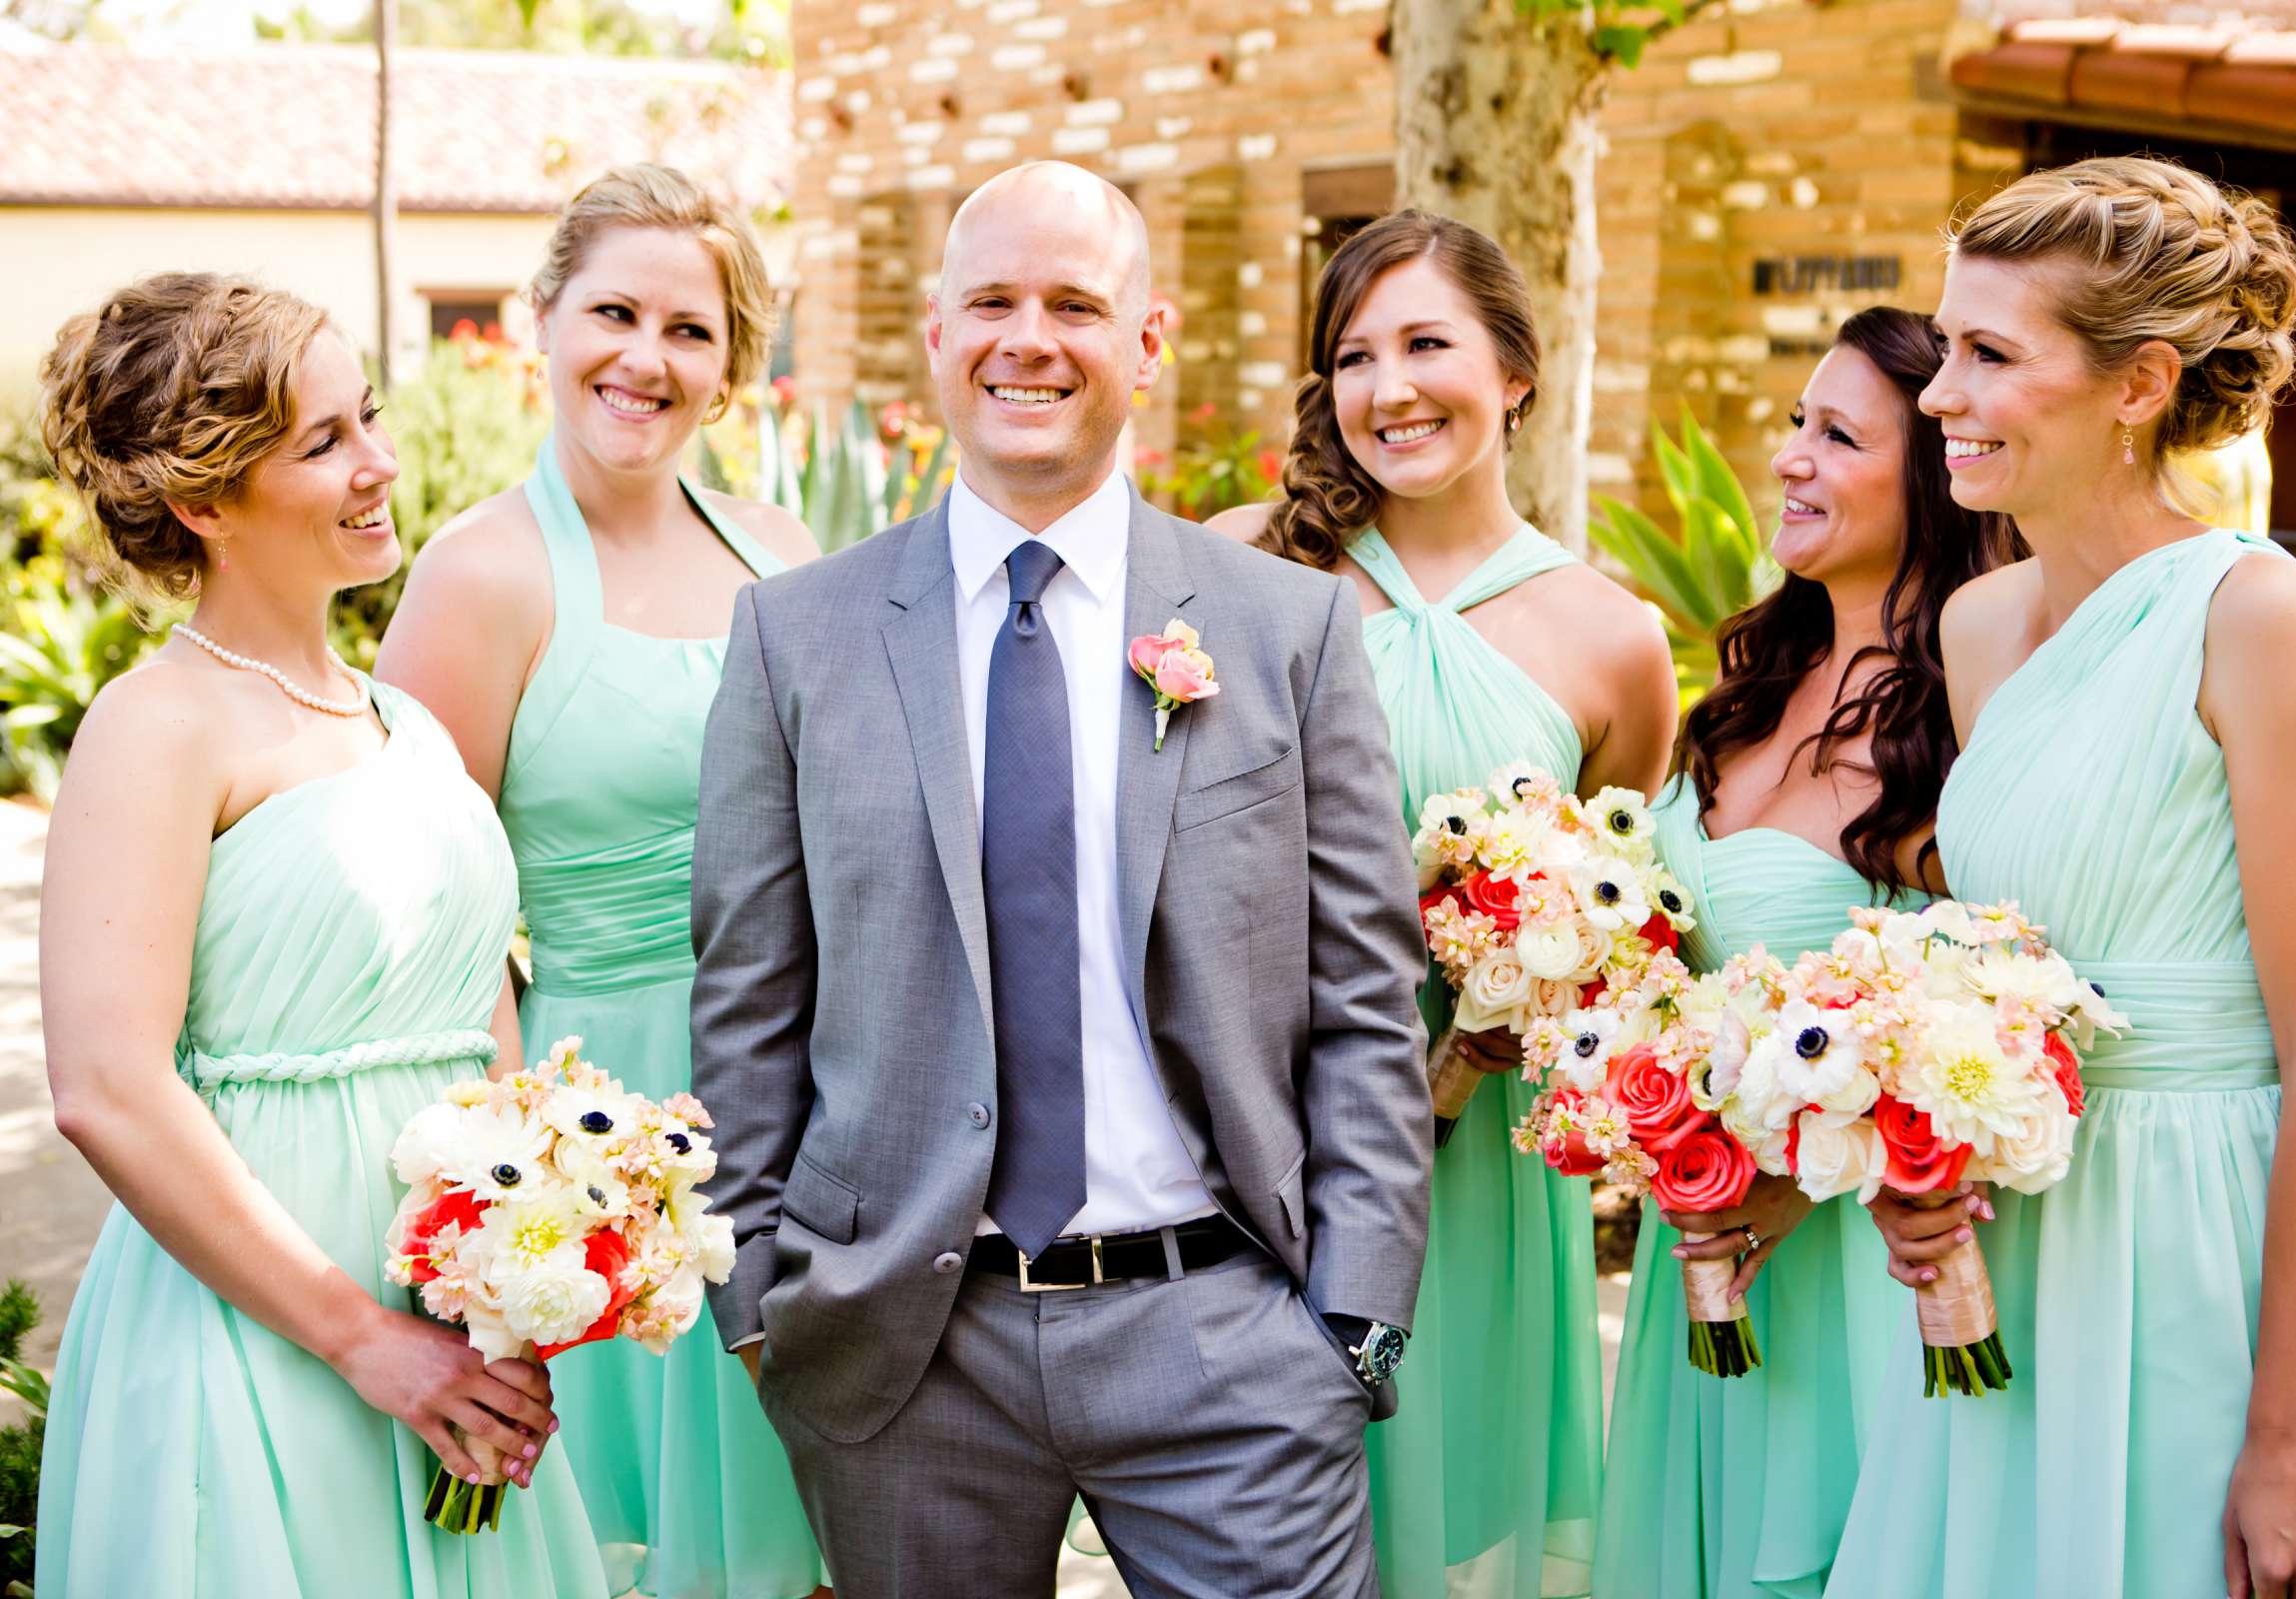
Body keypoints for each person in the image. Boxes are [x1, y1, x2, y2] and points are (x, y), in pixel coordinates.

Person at [689, 160, 1433, 1598]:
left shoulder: (1288, 631)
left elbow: (1365, 1004)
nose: (1031, 338)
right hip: (906, 1355)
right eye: (994, 302)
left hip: (1230, 1340)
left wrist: (1358, 1330)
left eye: (1077, 305)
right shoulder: (796, 639)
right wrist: (758, 1306)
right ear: (935, 332)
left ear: (1147, 344)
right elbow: (748, 1001)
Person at [1830, 155, 2296, 1599]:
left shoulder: (2257, 613)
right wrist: (1918, 1160)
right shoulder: (1975, 625)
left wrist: (2293, 1434)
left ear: (2141, 385)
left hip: (2202, 1252)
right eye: (1946, 348)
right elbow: (1996, 983)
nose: (1939, 394)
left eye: (1989, 355)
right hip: (2013, 1263)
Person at [32, 273, 602, 1598]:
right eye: (324, 441)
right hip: (264, 1327)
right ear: (203, 499)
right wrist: (362, 1341)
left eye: (370, 419)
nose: (380, 464)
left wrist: (523, 1296)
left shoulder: (408, 724)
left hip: (453, 1325)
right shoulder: (157, 725)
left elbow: (486, 1022)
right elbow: (106, 1090)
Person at [376, 163, 827, 1599]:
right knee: (626, 1543)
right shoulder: (482, 576)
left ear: (733, 364)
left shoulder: (788, 553)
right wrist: (529, 1185)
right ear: (544, 319)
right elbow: (419, 911)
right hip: (604, 1131)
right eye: (614, 311)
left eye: (690, 330)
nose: (647, 358)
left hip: (815, 1110)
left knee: (815, 1525)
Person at [1214, 209, 1677, 1598]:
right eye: (1354, 355)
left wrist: (1497, 1010)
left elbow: (1615, 916)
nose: (1390, 387)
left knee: (1433, 1503)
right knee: (1247, 1504)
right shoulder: (1242, 561)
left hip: (1466, 1167)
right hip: (1245, 1128)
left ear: (1519, 371)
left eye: (1428, 343)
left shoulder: (1613, 639)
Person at [1594, 307, 2017, 1598]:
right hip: (1709, 1245)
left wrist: (1800, 1166)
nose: (1790, 459)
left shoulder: (1966, 714)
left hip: (1853, 1266)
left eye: (1838, 436)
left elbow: (1987, 1005)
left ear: (1940, 475)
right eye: (1795, 424)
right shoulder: (1745, 694)